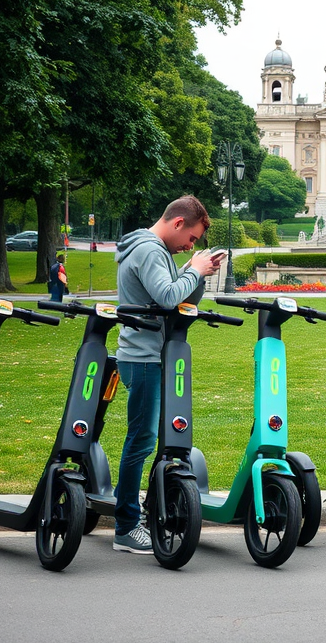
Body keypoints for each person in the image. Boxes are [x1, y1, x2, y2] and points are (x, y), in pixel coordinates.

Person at [112, 196, 220, 554]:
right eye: (190, 239)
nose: (191, 245)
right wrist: (193, 269)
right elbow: (168, 296)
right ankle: (126, 527)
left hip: (151, 354)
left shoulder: (155, 250)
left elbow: (183, 303)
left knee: (153, 439)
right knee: (141, 441)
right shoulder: (149, 250)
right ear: (177, 223)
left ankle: (145, 511)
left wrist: (197, 273)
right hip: (143, 357)